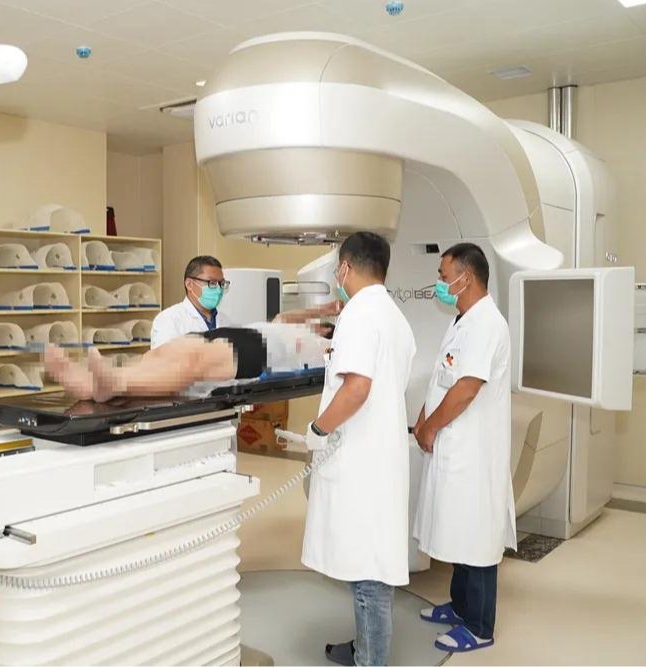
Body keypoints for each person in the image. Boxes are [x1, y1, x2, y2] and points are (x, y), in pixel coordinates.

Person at [303, 232, 416, 667]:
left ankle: (371, 659)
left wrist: (318, 428)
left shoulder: (360, 314)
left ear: (346, 267)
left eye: (338, 268)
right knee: (369, 564)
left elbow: (356, 388)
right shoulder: (393, 316)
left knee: (368, 573)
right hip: (378, 457)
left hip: (361, 461)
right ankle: (364, 648)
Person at [412, 243, 515, 654]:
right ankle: (459, 606)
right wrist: (422, 419)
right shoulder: (462, 320)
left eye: (443, 275)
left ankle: (479, 625)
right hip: (453, 445)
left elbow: (467, 387)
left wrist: (431, 427)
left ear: (465, 277)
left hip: (475, 452)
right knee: (457, 528)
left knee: (476, 536)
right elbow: (444, 376)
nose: (438, 283)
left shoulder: (487, 324)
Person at [45, 317, 336, 402]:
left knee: (194, 362)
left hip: (259, 353)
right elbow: (285, 317)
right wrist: (319, 309)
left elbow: (333, 356)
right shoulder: (289, 326)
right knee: (162, 353)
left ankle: (116, 383)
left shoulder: (322, 345)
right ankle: (87, 384)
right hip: (239, 334)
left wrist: (329, 329)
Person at [151, 255, 234, 348]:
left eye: (221, 283)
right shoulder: (169, 319)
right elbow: (164, 356)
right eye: (212, 283)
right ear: (189, 284)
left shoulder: (225, 320)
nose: (218, 290)